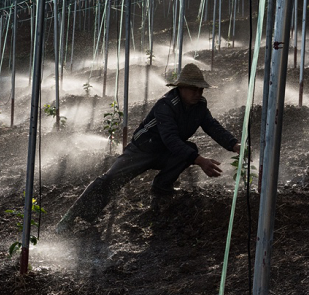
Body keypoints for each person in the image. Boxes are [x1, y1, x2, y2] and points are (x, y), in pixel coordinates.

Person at [56, 63, 240, 233]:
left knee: (188, 149)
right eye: (193, 89)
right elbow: (171, 139)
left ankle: (161, 190)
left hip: (164, 152)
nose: (198, 93)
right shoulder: (166, 105)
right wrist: (200, 161)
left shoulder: (199, 106)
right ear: (181, 88)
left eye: (200, 89)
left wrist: (233, 144)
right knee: (111, 179)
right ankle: (71, 216)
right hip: (142, 150)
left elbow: (212, 126)